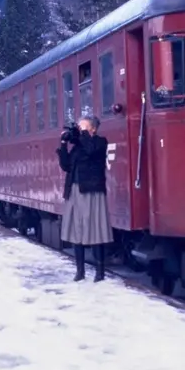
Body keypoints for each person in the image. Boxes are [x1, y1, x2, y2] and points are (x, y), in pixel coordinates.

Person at [57, 115, 113, 282]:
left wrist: (82, 136)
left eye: (83, 127)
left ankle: (99, 272)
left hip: (92, 191)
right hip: (74, 191)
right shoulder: (78, 147)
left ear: (93, 129)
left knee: (95, 231)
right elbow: (66, 166)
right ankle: (80, 272)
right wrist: (63, 144)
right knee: (76, 232)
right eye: (79, 128)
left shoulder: (100, 142)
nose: (79, 130)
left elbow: (91, 149)